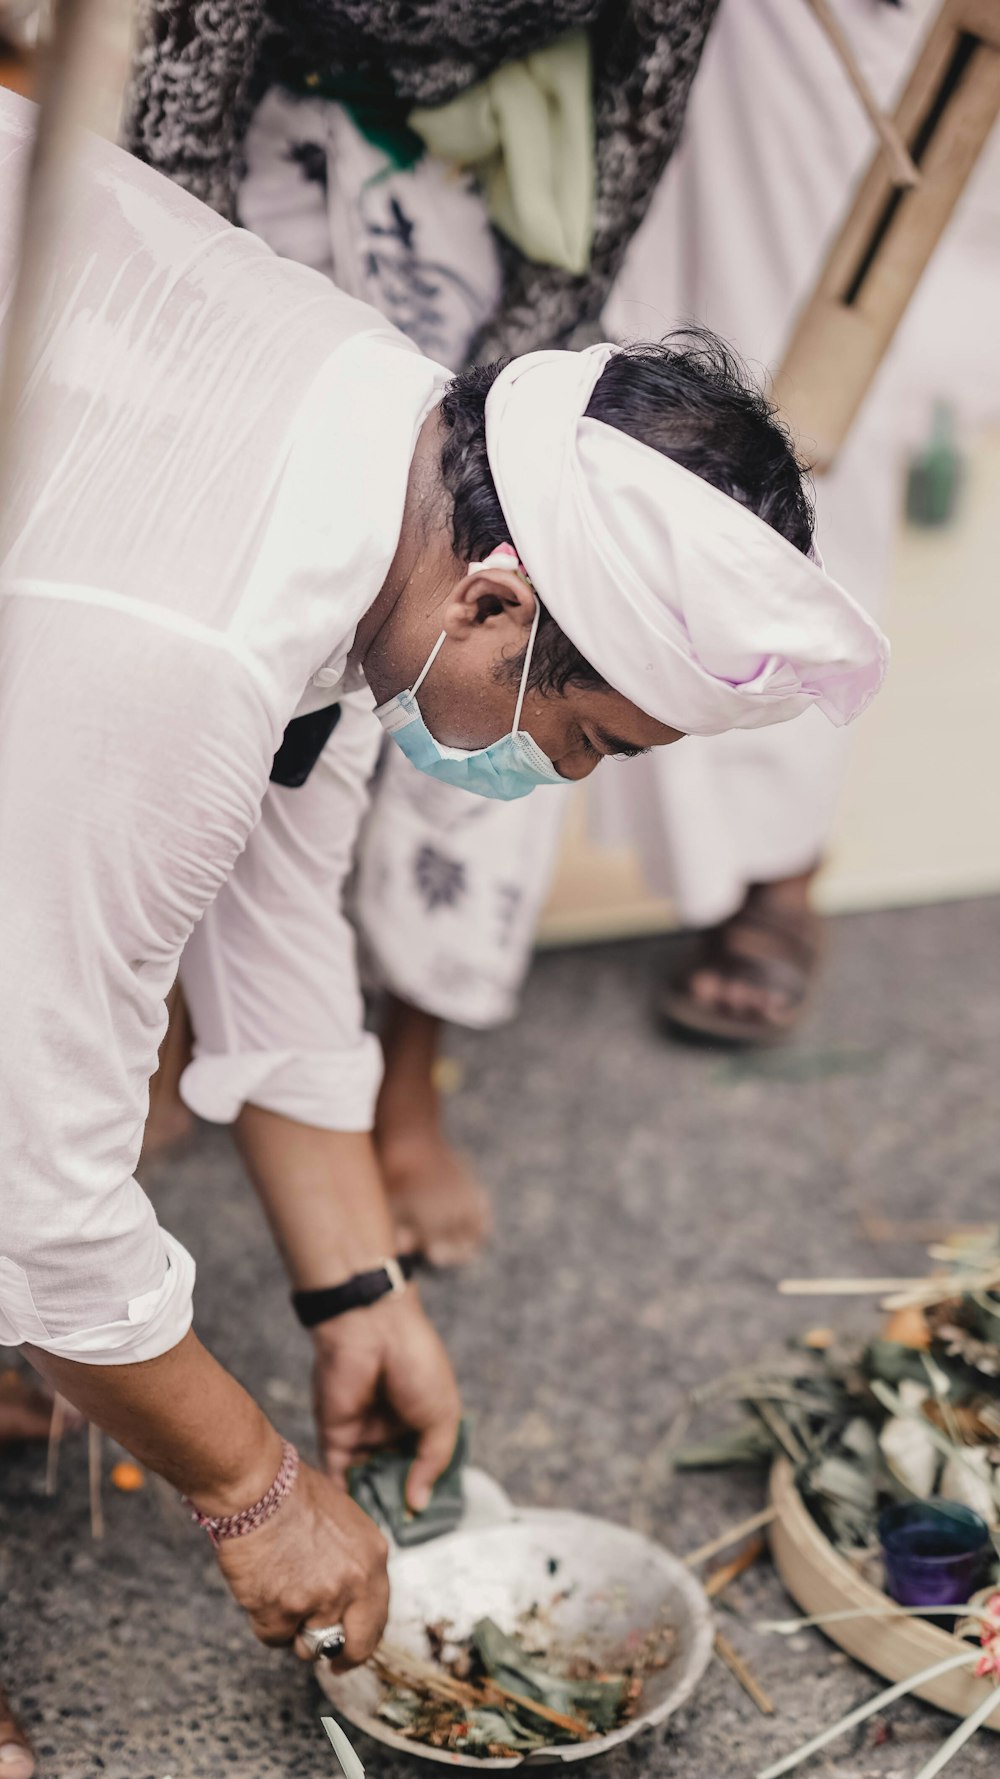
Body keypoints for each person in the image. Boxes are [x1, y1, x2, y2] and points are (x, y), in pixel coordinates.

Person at [0, 81, 886, 1767]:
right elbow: (33, 1184)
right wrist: (254, 1489)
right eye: (588, 735)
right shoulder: (178, 651)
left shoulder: (391, 462)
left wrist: (355, 1292)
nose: (563, 774)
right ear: (500, 601)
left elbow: (272, 939)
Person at [123, 0, 724, 1264]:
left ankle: (401, 1077)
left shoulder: (471, 605)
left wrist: (491, 449)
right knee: (246, 634)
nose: (574, 768)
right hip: (247, 164)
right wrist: (190, 312)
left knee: (513, 676)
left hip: (495, 240)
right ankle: (151, 1017)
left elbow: (643, 101)